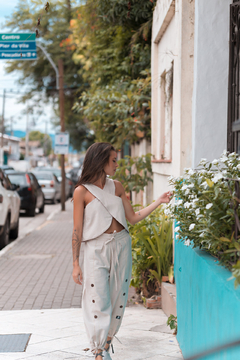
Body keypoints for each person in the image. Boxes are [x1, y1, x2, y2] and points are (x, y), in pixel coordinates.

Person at [72, 142, 172, 360]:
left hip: (121, 245)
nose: (117, 164)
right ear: (100, 161)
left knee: (119, 297)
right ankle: (98, 350)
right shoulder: (81, 192)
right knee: (98, 298)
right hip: (94, 249)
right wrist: (75, 264)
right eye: (114, 160)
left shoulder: (117, 187)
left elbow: (133, 218)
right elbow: (77, 231)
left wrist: (159, 201)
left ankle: (107, 342)